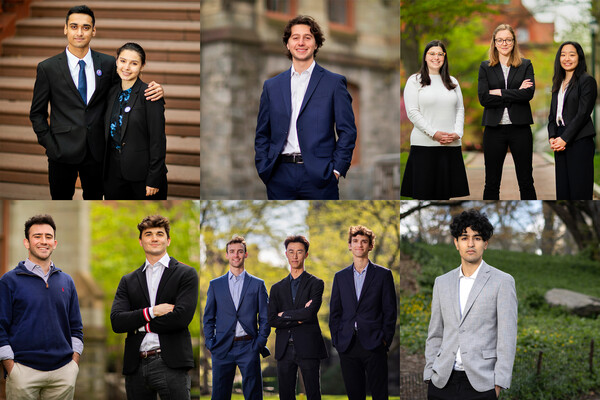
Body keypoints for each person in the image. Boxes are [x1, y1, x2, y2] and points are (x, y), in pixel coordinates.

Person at [29, 5, 163, 200]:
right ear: (65, 28)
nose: (79, 32)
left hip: (98, 152)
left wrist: (156, 89)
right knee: (61, 198)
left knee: (95, 200)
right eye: (74, 26)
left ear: (94, 30)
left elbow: (126, 90)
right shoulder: (47, 68)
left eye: (85, 27)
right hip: (61, 152)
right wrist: (50, 144)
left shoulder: (109, 64)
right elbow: (37, 113)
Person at [254, 15, 357, 200]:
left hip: (320, 177)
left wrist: (336, 169)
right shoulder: (272, 86)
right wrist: (264, 166)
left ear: (316, 44)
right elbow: (262, 133)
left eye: (307, 37)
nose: (301, 42)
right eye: (295, 37)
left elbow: (347, 131)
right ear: (287, 44)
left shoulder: (334, 83)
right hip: (279, 175)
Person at [424, 209, 518, 400]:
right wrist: (429, 374)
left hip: (482, 384)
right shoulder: (441, 282)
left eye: (477, 237)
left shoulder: (503, 281)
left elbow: (507, 337)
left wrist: (498, 383)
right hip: (442, 382)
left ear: (485, 243)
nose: (471, 243)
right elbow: (435, 333)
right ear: (456, 243)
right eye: (464, 237)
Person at [110, 215, 198, 399]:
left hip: (171, 363)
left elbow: (181, 318)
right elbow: (117, 322)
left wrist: (139, 325)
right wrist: (153, 311)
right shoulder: (128, 280)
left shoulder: (186, 274)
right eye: (148, 234)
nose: (154, 238)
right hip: (136, 366)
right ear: (141, 241)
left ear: (168, 240)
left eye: (160, 234)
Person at [0, 215, 83, 400]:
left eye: (48, 236)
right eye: (37, 236)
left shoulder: (67, 281)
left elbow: (76, 327)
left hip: (63, 373)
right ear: (26, 242)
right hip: (23, 371)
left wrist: (73, 365)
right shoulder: (8, 281)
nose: (43, 241)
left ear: (55, 243)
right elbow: (0, 328)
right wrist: (11, 368)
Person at [329, 226, 397, 400]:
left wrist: (384, 340)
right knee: (354, 395)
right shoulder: (340, 277)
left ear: (370, 246)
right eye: (355, 241)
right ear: (350, 245)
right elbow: (335, 313)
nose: (359, 245)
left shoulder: (383, 275)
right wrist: (337, 340)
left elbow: (390, 311)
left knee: (379, 395)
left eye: (364, 242)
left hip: (375, 343)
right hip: (348, 345)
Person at [203, 236, 270, 400]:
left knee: (254, 395)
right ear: (227, 255)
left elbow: (265, 317)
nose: (236, 255)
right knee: (219, 395)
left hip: (249, 346)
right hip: (222, 347)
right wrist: (211, 343)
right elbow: (208, 318)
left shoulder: (257, 284)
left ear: (245, 255)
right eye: (232, 252)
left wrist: (260, 342)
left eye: (240, 251)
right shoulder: (215, 285)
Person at [402, 40, 469, 200]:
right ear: (425, 57)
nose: (436, 57)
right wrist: (434, 134)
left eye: (440, 54)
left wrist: (458, 133)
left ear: (444, 57)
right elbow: (412, 112)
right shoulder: (414, 80)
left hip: (450, 146)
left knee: (443, 197)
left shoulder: (453, 82)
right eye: (432, 53)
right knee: (423, 195)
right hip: (424, 146)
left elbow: (460, 109)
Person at [478, 23, 537, 200]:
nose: (504, 43)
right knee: (491, 183)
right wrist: (515, 92)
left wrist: (499, 92)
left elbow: (528, 94)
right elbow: (483, 98)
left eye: (508, 40)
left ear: (514, 42)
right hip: (493, 129)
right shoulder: (485, 67)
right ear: (494, 43)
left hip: (520, 128)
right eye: (500, 40)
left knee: (526, 181)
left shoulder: (525, 65)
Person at [104, 42, 168, 199]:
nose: (126, 67)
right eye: (123, 61)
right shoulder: (110, 92)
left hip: (143, 176)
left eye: (134, 63)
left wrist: (154, 178)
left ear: (142, 66)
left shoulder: (150, 94)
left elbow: (157, 140)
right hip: (113, 174)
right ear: (117, 61)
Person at [268, 236, 328, 400]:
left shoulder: (316, 283)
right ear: (286, 254)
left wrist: (285, 314)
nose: (295, 256)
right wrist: (299, 315)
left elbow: (309, 314)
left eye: (299, 252)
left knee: (313, 394)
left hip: (308, 346)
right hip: (284, 348)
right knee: (285, 395)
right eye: (291, 252)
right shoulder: (276, 288)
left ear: (306, 255)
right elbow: (272, 319)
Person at [548, 41, 597, 200]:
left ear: (579, 57)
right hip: (560, 140)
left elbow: (583, 114)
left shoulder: (586, 81)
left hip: (579, 140)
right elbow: (552, 116)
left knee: (579, 190)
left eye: (571, 54)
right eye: (563, 54)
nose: (566, 58)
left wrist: (564, 139)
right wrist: (552, 137)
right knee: (563, 191)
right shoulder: (558, 83)